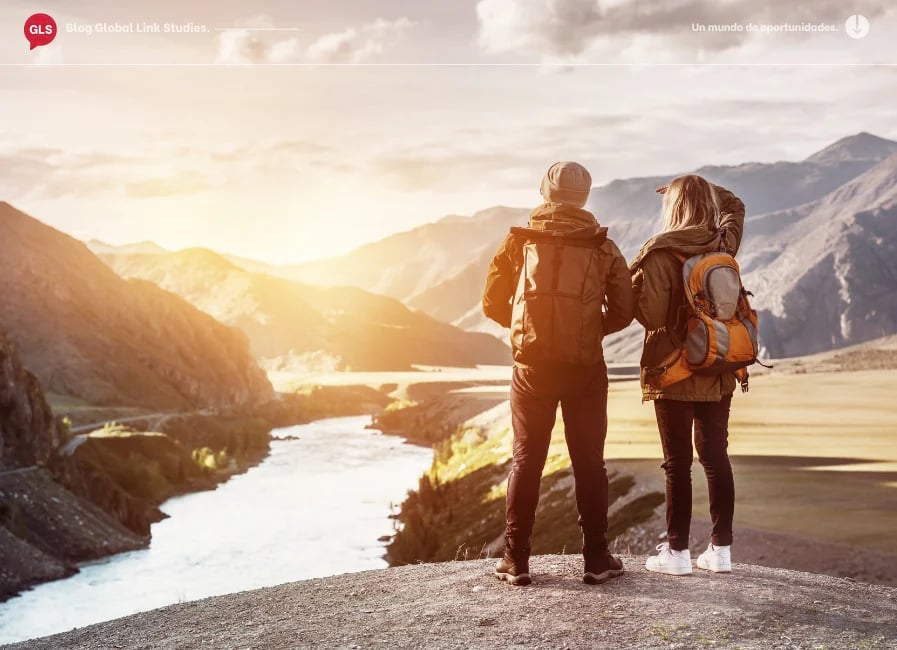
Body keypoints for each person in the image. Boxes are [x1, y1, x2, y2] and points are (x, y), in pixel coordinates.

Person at [482, 161, 634, 586]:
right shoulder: (602, 246)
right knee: (589, 462)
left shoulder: (518, 243)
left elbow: (492, 303)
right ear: (584, 198)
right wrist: (586, 330)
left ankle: (516, 560)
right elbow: (624, 310)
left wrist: (529, 332)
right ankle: (597, 559)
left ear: (544, 192)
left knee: (527, 460)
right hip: (585, 368)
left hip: (531, 368)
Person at [629, 175, 745, 576]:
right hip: (718, 366)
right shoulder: (722, 244)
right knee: (715, 456)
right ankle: (721, 552)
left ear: (673, 207)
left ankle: (677, 553)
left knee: (677, 463)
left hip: (674, 373)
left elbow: (651, 316)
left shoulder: (660, 252)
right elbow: (736, 208)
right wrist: (710, 186)